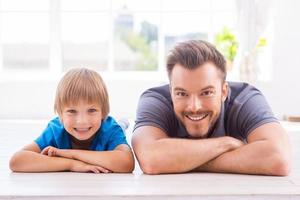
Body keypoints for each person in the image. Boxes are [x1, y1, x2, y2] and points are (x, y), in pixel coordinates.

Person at [132, 40, 291, 176]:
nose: (194, 107)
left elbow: (279, 158)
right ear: (170, 91)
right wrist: (226, 144)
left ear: (224, 91)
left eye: (206, 92)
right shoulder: (155, 99)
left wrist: (178, 161)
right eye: (181, 93)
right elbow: (151, 158)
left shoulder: (245, 98)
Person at [9, 68, 134, 173]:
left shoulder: (110, 128)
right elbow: (17, 161)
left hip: (113, 126)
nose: (82, 121)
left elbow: (127, 163)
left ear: (103, 112)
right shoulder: (56, 129)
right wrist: (72, 164)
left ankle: (123, 123)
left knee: (120, 127)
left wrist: (68, 153)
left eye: (91, 110)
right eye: (72, 111)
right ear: (60, 115)